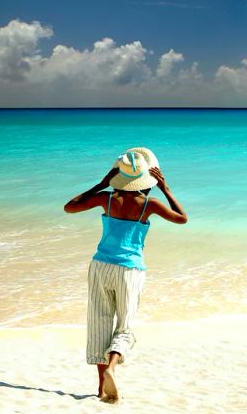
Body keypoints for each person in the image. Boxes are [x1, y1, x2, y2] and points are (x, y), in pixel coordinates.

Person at [63, 147, 187, 403]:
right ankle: (112, 367)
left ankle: (100, 390)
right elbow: (182, 219)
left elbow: (69, 207)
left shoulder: (106, 198)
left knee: (99, 323)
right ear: (148, 180)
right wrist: (166, 189)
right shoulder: (148, 204)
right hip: (129, 270)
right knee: (124, 326)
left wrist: (99, 185)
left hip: (100, 267)